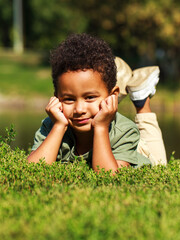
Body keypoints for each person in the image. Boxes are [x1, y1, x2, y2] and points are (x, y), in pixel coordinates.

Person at [27, 33, 166, 173]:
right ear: (56, 98)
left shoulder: (125, 131)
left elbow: (108, 175)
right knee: (95, 96)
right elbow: (31, 170)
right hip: (100, 108)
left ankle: (141, 99)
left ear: (113, 95)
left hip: (139, 151)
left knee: (159, 163)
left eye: (89, 97)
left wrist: (100, 127)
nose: (79, 109)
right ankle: (108, 90)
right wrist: (58, 126)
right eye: (69, 99)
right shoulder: (51, 124)